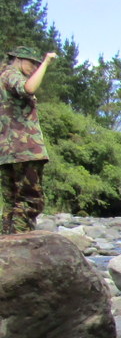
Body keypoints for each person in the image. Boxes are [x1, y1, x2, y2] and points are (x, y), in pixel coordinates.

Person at [1, 46, 56, 235]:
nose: (34, 68)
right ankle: (21, 243)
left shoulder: (3, 78)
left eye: (37, 64)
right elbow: (29, 88)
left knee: (11, 202)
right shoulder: (11, 75)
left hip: (6, 151)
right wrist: (46, 63)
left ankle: (6, 244)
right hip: (24, 150)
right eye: (31, 63)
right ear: (17, 59)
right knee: (29, 200)